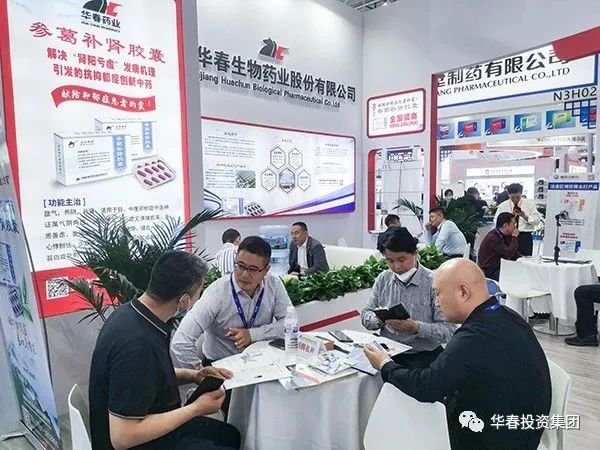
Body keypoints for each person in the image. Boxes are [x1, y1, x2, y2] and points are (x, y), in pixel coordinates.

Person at [364, 259, 551, 450]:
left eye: (438, 293)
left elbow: (427, 387)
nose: (436, 303)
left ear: (463, 292)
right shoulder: (505, 315)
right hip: (523, 427)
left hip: (495, 439)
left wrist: (384, 364)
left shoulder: (473, 336)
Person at [89, 251, 241, 450]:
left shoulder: (132, 313)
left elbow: (147, 375)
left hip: (153, 420)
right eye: (199, 294)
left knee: (230, 435)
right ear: (184, 301)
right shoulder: (138, 344)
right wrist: (196, 408)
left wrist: (193, 375)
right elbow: (122, 438)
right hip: (137, 440)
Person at [172, 236, 293, 368]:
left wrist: (252, 334)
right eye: (240, 266)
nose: (244, 274)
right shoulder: (217, 292)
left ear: (266, 270)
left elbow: (290, 323)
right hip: (221, 365)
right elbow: (181, 341)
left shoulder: (273, 285)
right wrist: (200, 374)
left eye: (253, 269)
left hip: (260, 364)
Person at [361, 227, 456, 368]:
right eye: (390, 261)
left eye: (401, 259)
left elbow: (449, 331)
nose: (396, 266)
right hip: (388, 353)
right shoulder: (383, 279)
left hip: (422, 355)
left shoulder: (434, 282)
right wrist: (379, 319)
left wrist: (416, 327)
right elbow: (365, 315)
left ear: (415, 253)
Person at [494, 183, 541, 256]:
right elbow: (496, 221)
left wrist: (525, 216)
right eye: (512, 197)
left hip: (524, 237)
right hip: (507, 236)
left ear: (521, 193)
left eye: (518, 197)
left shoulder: (529, 204)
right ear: (508, 194)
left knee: (525, 259)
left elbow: (537, 220)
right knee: (507, 258)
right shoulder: (503, 206)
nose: (515, 199)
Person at [477, 212, 520, 281]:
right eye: (513, 224)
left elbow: (514, 253)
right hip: (490, 270)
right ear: (505, 225)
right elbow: (508, 254)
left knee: (521, 270)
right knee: (516, 277)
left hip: (500, 266)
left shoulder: (504, 235)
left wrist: (523, 259)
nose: (515, 227)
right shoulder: (493, 237)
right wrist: (514, 237)